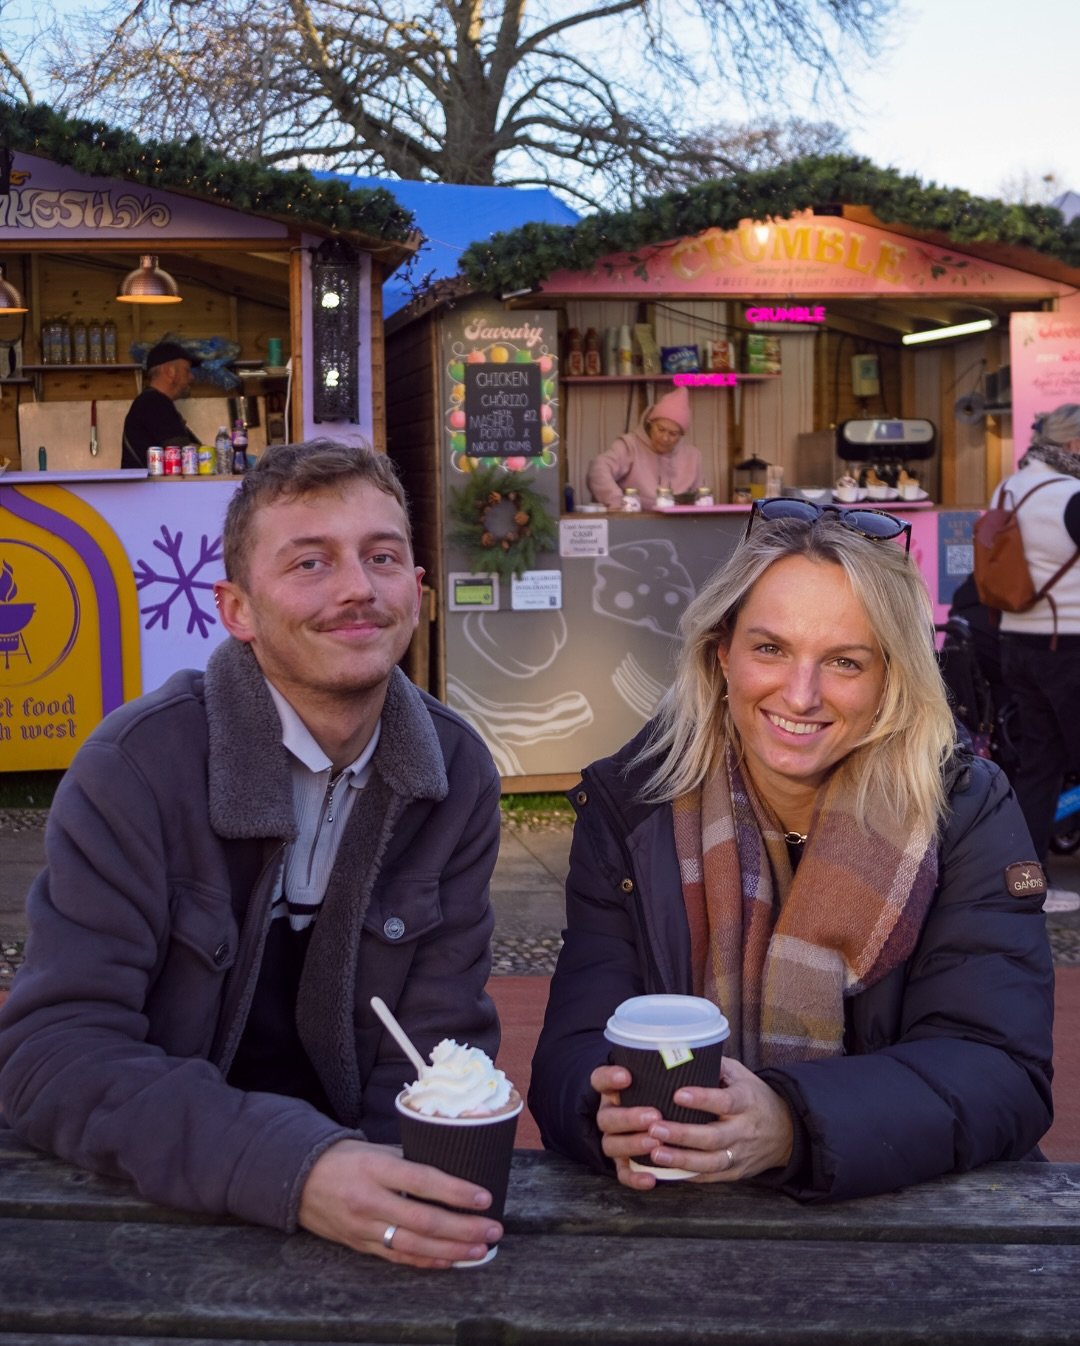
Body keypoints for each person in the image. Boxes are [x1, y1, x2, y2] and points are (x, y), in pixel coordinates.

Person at [0, 440, 505, 1269]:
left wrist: (402, 1199)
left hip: (362, 1205)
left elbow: (438, 1042)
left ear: (417, 591)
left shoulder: (455, 773)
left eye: (382, 557)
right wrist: (297, 1169)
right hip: (142, 1199)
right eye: (310, 562)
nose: (357, 588)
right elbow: (53, 1056)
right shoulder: (136, 767)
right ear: (236, 609)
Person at [530, 499, 1054, 1201]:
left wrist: (792, 1123)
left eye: (844, 661)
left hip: (920, 1222)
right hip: (687, 1219)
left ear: (891, 678)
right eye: (770, 648)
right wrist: (605, 1113)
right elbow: (575, 1047)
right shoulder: (633, 805)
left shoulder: (962, 807)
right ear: (722, 654)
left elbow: (1000, 1069)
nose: (800, 695)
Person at [992, 404, 1080, 913]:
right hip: (1067, 648)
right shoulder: (1070, 496)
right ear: (1072, 446)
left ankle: (1028, 889)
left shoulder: (1007, 489)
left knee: (1038, 769)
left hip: (1016, 646)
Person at [586, 384, 702, 509]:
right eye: (661, 429)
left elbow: (700, 499)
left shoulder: (693, 456)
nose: (665, 438)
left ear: (681, 435)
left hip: (678, 524)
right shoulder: (630, 445)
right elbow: (598, 469)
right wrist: (616, 501)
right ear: (651, 424)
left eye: (673, 434)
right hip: (634, 521)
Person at [121, 340, 201, 467]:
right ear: (170, 371)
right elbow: (183, 453)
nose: (191, 377)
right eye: (187, 370)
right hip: (149, 487)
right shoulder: (154, 403)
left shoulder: (151, 402)